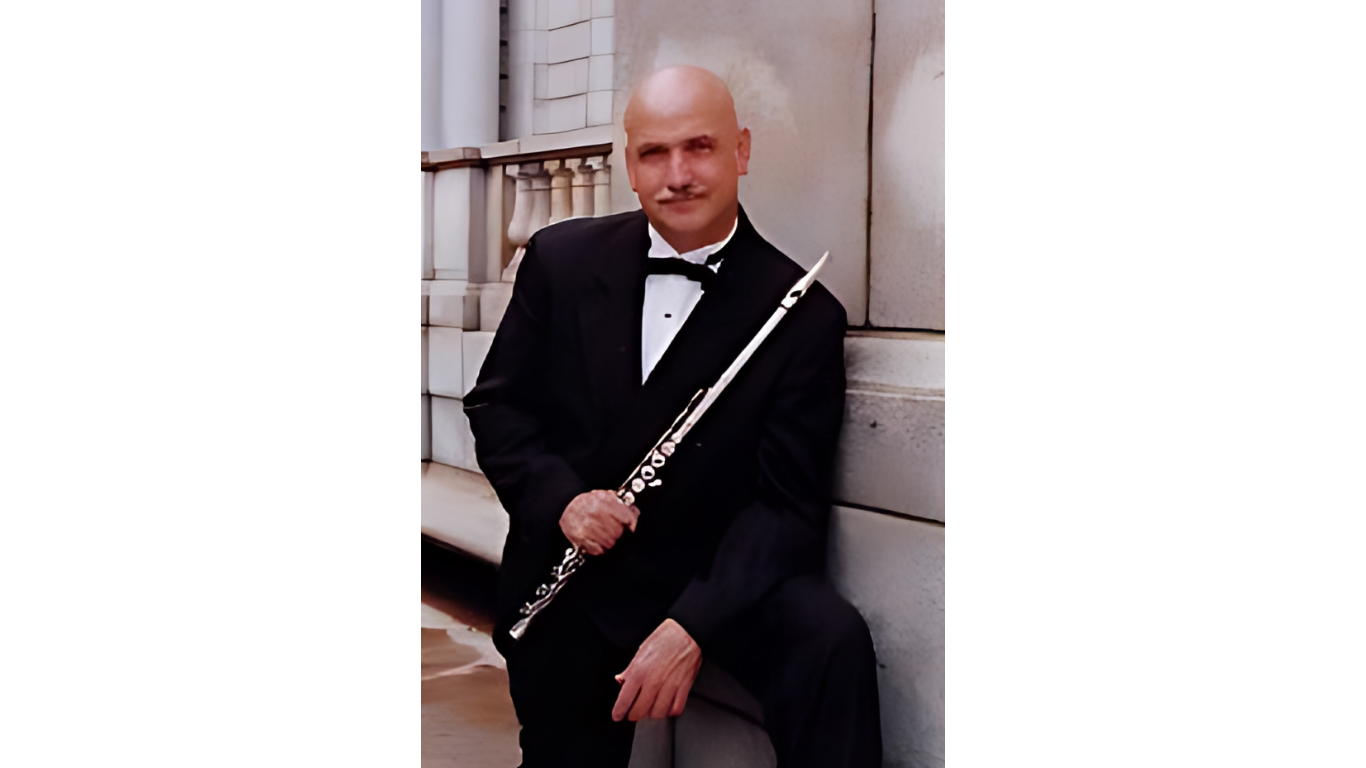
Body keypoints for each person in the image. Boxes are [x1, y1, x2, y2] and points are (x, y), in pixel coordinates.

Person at [464, 65, 882, 768]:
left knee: (829, 638)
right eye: (654, 153)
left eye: (701, 148)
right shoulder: (560, 261)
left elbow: (785, 508)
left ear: (742, 152)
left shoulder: (803, 314)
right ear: (629, 165)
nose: (677, 174)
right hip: (580, 570)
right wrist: (562, 501)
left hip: (705, 571)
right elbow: (498, 406)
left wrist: (692, 624)